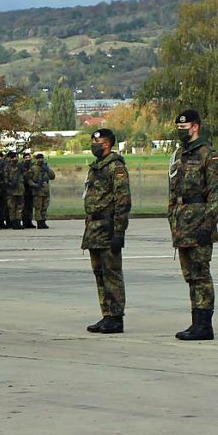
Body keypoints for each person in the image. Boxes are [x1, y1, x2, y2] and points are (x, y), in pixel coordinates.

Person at [168, 109, 218, 341]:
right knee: (190, 275)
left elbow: (215, 194)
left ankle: (204, 325)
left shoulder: (208, 154)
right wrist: (172, 217)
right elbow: (174, 190)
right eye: (178, 127)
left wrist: (206, 225)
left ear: (196, 126)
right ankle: (195, 322)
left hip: (199, 221)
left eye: (184, 127)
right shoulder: (180, 154)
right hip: (183, 223)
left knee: (201, 274)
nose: (181, 131)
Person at [82, 129, 131, 334]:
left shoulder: (115, 167)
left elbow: (123, 202)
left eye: (99, 141)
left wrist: (119, 232)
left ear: (108, 144)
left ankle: (116, 317)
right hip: (94, 228)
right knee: (100, 274)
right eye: (93, 141)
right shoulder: (95, 168)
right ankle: (106, 314)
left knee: (112, 274)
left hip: (108, 227)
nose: (95, 144)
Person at [27, 152, 56, 228]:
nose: (40, 160)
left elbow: (52, 176)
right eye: (38, 158)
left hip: (45, 191)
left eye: (41, 158)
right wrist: (34, 185)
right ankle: (39, 222)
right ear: (36, 159)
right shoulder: (33, 168)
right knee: (38, 207)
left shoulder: (46, 168)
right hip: (37, 191)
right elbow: (28, 179)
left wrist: (47, 169)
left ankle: (43, 221)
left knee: (45, 207)